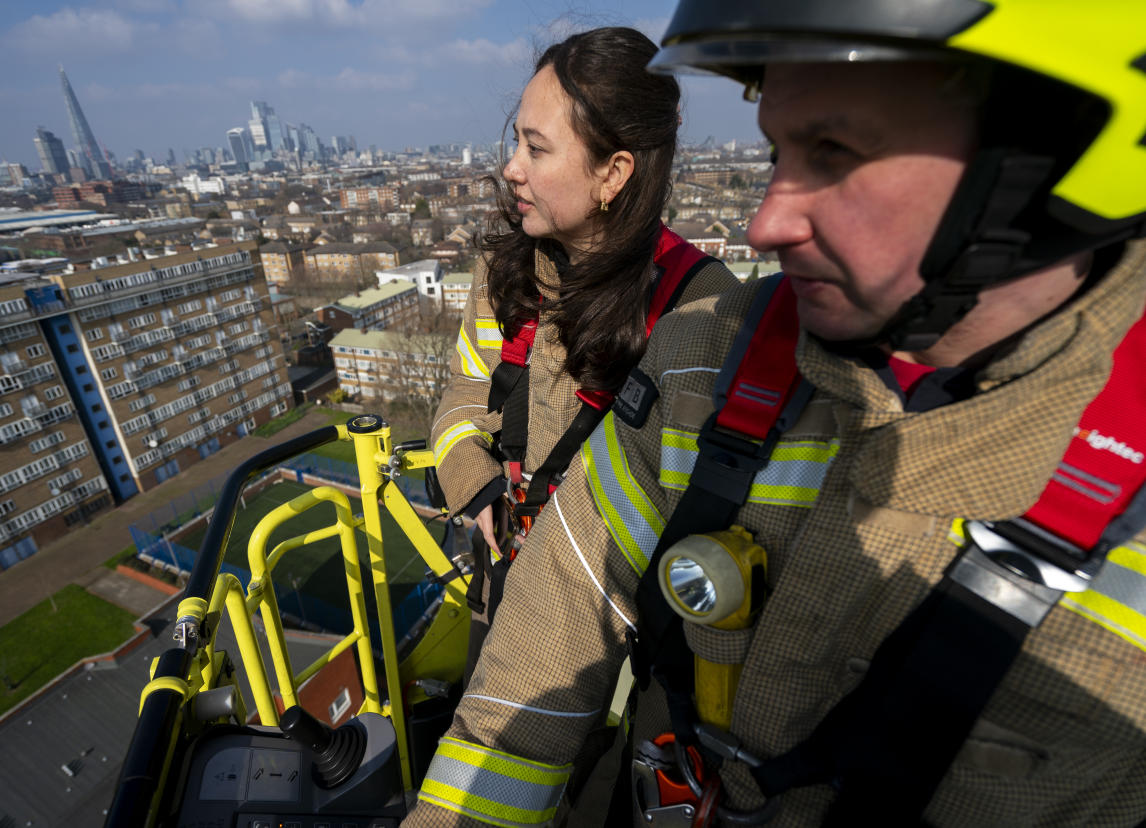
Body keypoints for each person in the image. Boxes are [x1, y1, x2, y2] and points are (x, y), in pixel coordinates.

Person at [406, 2, 1146, 826]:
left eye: (834, 154)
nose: (768, 222)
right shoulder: (708, 359)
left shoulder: (692, 318)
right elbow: (544, 650)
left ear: (1045, 164)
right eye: (775, 153)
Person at [429, 26, 737, 672]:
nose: (511, 166)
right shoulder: (507, 275)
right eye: (515, 139)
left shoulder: (702, 310)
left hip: (624, 633)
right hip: (508, 586)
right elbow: (464, 390)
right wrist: (476, 483)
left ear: (613, 173)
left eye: (536, 148)